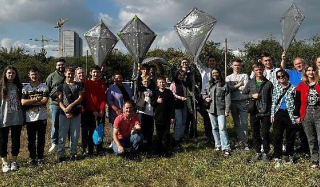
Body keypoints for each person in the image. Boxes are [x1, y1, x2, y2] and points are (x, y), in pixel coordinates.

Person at [241, 62, 273, 162]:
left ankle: (266, 153)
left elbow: (272, 99)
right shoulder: (250, 83)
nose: (259, 71)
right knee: (255, 133)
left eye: (260, 69)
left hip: (265, 112)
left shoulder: (268, 83)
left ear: (263, 70)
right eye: (256, 70)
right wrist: (251, 96)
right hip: (254, 112)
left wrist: (272, 112)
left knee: (265, 133)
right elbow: (242, 95)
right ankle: (258, 152)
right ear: (254, 71)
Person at [281, 53, 309, 155]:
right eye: (296, 64)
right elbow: (282, 69)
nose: (298, 65)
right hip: (293, 104)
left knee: (304, 128)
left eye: (300, 63)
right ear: (294, 65)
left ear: (303, 63)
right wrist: (283, 59)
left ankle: (305, 148)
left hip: (305, 104)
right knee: (293, 128)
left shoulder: (308, 73)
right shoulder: (291, 73)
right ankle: (292, 149)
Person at [21, 67, 49, 166]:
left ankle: (40, 158)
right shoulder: (25, 88)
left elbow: (45, 101)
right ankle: (33, 158)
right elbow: (23, 102)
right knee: (31, 139)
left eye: (36, 74)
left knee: (41, 139)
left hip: (42, 117)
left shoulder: (44, 87)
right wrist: (37, 99)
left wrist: (31, 102)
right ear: (29, 75)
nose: (34, 76)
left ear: (39, 75)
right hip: (30, 118)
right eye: (32, 74)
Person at [294, 64, 320, 169]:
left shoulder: (319, 84)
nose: (311, 72)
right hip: (306, 112)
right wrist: (297, 115)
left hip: (318, 111)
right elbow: (297, 101)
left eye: (312, 70)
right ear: (305, 72)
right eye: (308, 70)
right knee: (311, 138)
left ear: (315, 72)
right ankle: (315, 160)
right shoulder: (301, 85)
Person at [57, 67, 84, 162]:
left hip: (76, 113)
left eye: (72, 73)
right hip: (63, 114)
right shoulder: (61, 86)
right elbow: (59, 100)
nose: (70, 75)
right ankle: (61, 154)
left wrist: (71, 106)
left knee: (75, 134)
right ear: (65, 73)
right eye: (69, 73)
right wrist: (65, 110)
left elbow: (80, 98)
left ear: (74, 74)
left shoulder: (79, 85)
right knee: (62, 134)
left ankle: (73, 153)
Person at [0, 66, 24, 172]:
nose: (11, 75)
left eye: (13, 73)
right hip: (3, 118)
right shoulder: (1, 86)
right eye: (9, 73)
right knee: (2, 141)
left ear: (16, 75)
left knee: (16, 140)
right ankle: (4, 163)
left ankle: (14, 161)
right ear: (5, 74)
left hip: (17, 118)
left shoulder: (19, 86)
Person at [271, 70, 297, 165]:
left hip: (290, 114)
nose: (281, 78)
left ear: (287, 76)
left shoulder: (293, 88)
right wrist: (272, 115)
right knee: (277, 136)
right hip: (279, 113)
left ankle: (289, 155)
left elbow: (296, 102)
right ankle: (277, 156)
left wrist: (296, 115)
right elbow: (273, 102)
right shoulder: (276, 88)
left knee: (290, 136)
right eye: (278, 77)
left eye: (283, 76)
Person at [203, 68, 231, 156]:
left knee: (222, 128)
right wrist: (205, 98)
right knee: (214, 127)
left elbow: (227, 98)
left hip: (221, 109)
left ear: (219, 73)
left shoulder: (224, 84)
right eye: (213, 73)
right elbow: (203, 93)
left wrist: (227, 110)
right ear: (211, 74)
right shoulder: (208, 84)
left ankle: (226, 147)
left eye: (216, 72)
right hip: (211, 110)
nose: (215, 74)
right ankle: (217, 144)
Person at [226, 58, 249, 150]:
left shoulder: (245, 75)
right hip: (233, 102)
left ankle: (245, 142)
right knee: (236, 123)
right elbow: (228, 89)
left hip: (243, 101)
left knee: (244, 122)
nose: (237, 67)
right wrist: (239, 85)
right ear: (232, 66)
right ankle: (240, 140)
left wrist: (233, 87)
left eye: (238, 65)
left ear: (241, 66)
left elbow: (245, 89)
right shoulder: (228, 77)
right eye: (235, 65)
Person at [84, 65, 106, 156]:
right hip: (91, 111)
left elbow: (103, 98)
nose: (96, 74)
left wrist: (101, 110)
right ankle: (90, 150)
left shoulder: (102, 83)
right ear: (90, 73)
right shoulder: (87, 83)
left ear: (100, 73)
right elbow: (88, 97)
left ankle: (99, 149)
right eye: (94, 72)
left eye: (97, 72)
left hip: (100, 111)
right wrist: (93, 111)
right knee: (91, 131)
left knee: (100, 130)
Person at [194, 55, 215, 143]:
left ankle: (215, 137)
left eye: (213, 61)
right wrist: (196, 52)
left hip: (215, 98)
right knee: (206, 119)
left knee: (214, 119)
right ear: (208, 62)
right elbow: (197, 62)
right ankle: (208, 137)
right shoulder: (204, 71)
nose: (212, 62)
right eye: (210, 60)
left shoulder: (217, 72)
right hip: (205, 98)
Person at [107, 72, 133, 144]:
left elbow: (131, 96)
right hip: (116, 111)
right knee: (115, 127)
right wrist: (117, 109)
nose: (119, 79)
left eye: (120, 78)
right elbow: (109, 101)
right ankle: (114, 143)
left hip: (127, 111)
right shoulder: (111, 88)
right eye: (117, 78)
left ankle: (125, 141)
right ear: (114, 79)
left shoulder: (127, 86)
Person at [151, 76, 175, 157]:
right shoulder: (155, 92)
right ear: (157, 84)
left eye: (163, 82)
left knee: (166, 134)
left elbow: (172, 105)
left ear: (166, 83)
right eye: (160, 82)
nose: (162, 84)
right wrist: (156, 101)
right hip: (158, 117)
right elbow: (152, 104)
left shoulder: (169, 92)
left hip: (167, 117)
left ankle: (166, 151)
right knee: (159, 134)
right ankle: (158, 151)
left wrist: (172, 117)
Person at [45, 58, 65, 152]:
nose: (61, 66)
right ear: (56, 66)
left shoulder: (68, 74)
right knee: (55, 124)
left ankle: (65, 142)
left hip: (67, 104)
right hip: (55, 104)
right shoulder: (51, 76)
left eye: (62, 64)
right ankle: (54, 143)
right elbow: (46, 89)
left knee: (66, 124)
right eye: (59, 65)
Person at [136, 76, 155, 151]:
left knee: (149, 129)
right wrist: (139, 72)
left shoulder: (152, 90)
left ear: (150, 82)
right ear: (142, 82)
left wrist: (151, 96)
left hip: (150, 112)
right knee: (141, 128)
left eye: (147, 81)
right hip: (141, 111)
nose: (146, 83)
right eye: (144, 81)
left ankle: (148, 144)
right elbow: (137, 82)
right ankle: (140, 144)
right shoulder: (140, 89)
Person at [170, 70, 188, 145]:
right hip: (176, 104)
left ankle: (180, 137)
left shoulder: (184, 83)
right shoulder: (173, 84)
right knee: (179, 122)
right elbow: (172, 93)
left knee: (183, 122)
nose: (182, 76)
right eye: (180, 75)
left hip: (184, 104)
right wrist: (179, 97)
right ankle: (176, 139)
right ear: (177, 75)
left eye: (183, 75)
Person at [74, 67, 89, 155]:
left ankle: (85, 147)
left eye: (83, 73)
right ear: (76, 75)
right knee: (74, 130)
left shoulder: (88, 83)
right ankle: (74, 148)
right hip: (76, 109)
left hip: (87, 109)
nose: (81, 75)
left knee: (85, 129)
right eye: (79, 73)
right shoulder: (74, 84)